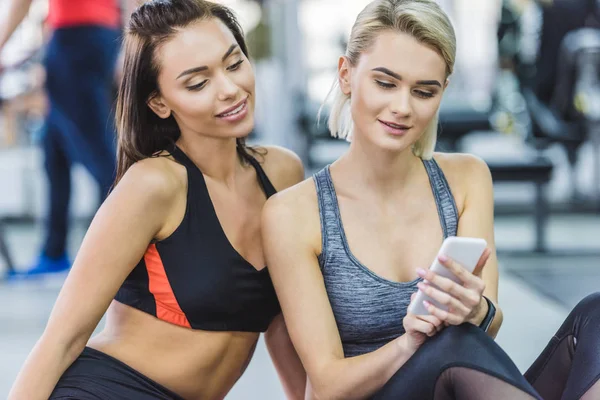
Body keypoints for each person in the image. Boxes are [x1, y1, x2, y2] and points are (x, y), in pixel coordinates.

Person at [262, 0, 600, 399]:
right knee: (451, 343)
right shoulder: (293, 213)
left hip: (463, 385)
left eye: (424, 91)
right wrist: (413, 341)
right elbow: (329, 384)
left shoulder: (467, 178)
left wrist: (475, 312)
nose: (402, 108)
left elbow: (487, 324)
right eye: (385, 83)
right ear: (346, 74)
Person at [8, 1, 306, 399]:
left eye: (234, 64)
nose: (230, 89)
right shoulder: (153, 184)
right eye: (198, 83)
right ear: (159, 103)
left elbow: (285, 324)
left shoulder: (283, 173)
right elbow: (61, 339)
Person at [0, 0, 140, 276]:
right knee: (54, 153)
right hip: (95, 36)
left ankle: (119, 249)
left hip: (75, 38)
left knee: (99, 155)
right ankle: (54, 252)